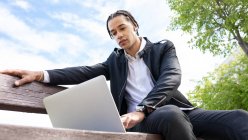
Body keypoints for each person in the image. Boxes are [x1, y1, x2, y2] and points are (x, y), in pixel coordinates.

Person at [1, 10, 248, 140]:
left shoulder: (163, 48)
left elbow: (171, 77)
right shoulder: (114, 61)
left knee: (239, 118)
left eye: (122, 28)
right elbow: (83, 72)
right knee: (169, 116)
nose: (118, 35)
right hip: (143, 121)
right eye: (113, 33)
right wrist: (39, 74)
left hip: (180, 111)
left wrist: (144, 107)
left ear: (135, 25)